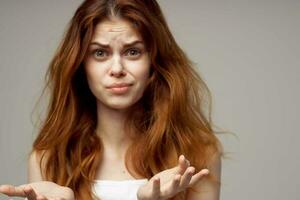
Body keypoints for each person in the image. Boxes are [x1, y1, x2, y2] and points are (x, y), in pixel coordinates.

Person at [0, 0, 222, 199]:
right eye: (100, 53)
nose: (117, 69)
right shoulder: (47, 159)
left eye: (133, 52)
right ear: (80, 65)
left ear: (155, 62)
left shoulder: (198, 154)